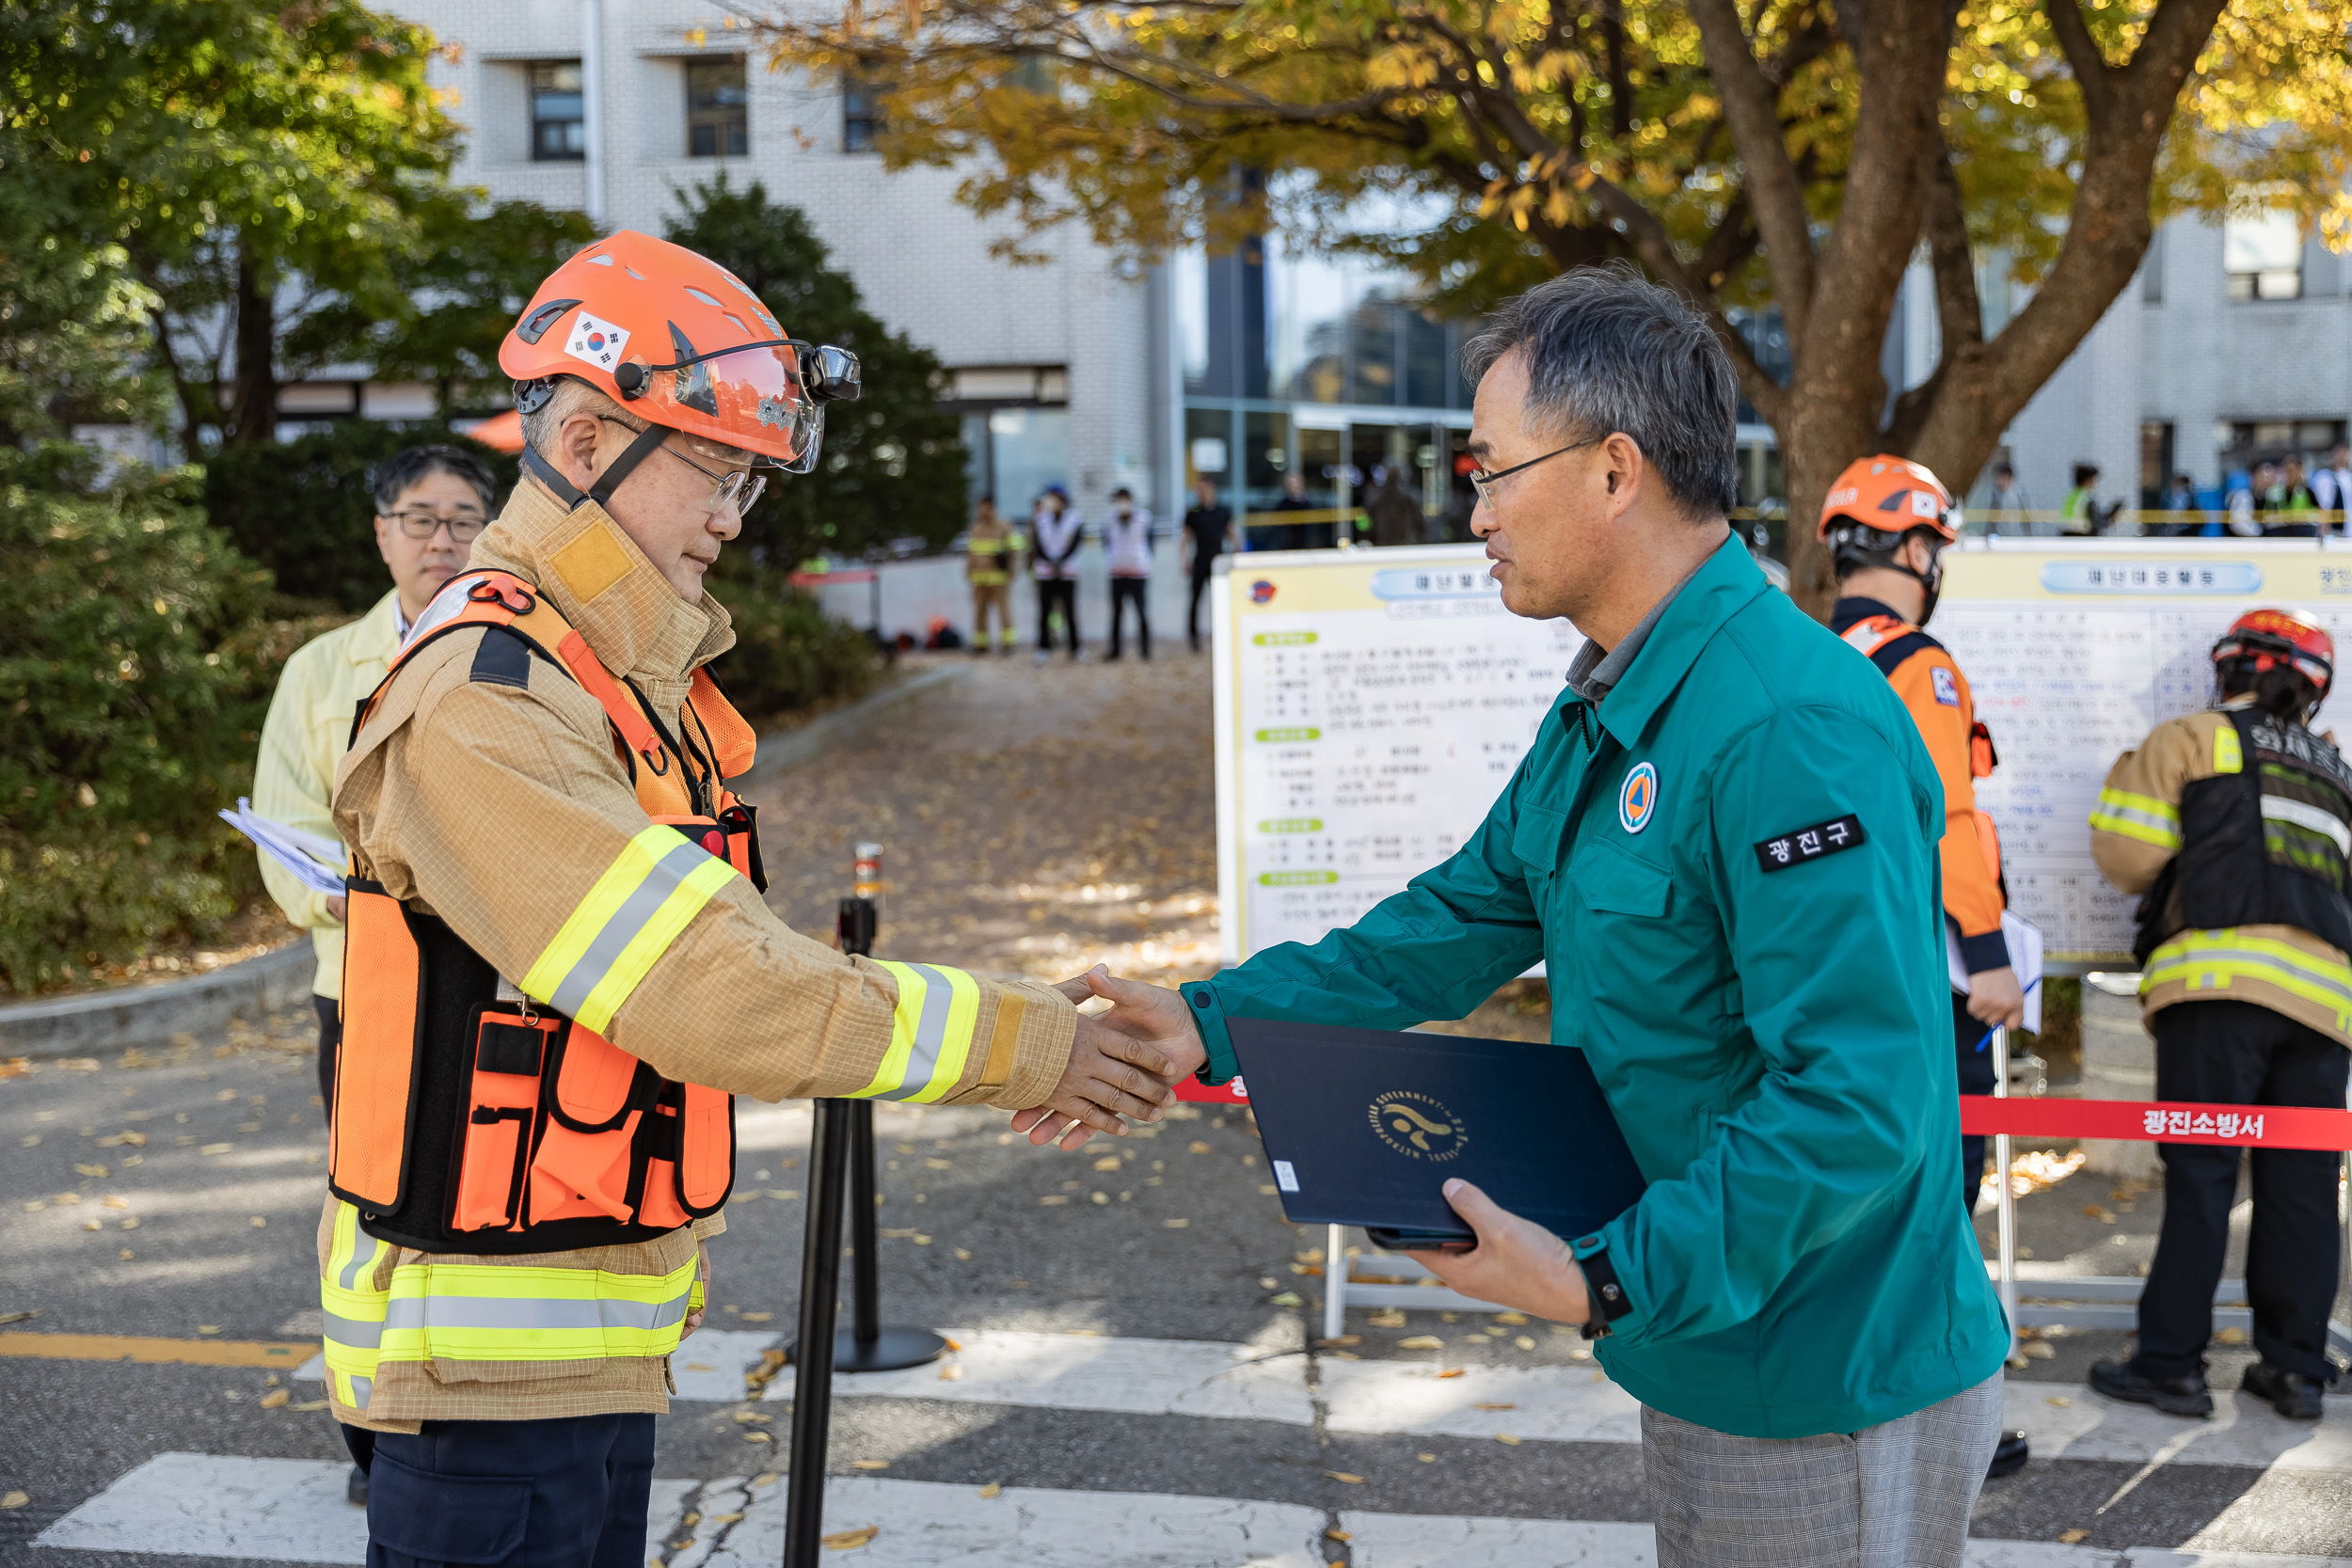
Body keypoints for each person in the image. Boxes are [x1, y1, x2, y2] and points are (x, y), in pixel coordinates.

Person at [1055, 268, 2010, 1567]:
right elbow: (1457, 915)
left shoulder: (1788, 722)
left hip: (1822, 1369)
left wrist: (1609, 1274)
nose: (1477, 508)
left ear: (1616, 471)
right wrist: (1211, 1021)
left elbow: (1859, 1095)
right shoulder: (1616, 702)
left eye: (1495, 468)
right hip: (1706, 1337)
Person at [318, 230, 1185, 1563]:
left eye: (749, 481)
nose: (734, 513)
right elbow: (712, 985)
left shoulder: (586, 674)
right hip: (488, 1381)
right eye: (716, 470)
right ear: (594, 441)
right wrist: (1032, 1042)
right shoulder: (489, 701)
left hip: (579, 1352)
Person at [251, 441, 496, 1509]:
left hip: (500, 980)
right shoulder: (319, 671)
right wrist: (373, 887)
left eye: (462, 519)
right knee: (370, 1207)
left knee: (484, 1197)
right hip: (366, 986)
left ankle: (478, 1411)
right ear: (382, 532)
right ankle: (373, 1436)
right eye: (419, 518)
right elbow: (286, 829)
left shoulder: (518, 651)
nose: (441, 540)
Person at [2085, 608, 2351, 1424]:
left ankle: (2171, 1365)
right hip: (2326, 1007)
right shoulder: (2339, 773)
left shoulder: (2194, 738)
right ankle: (2296, 1369)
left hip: (2215, 990)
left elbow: (2125, 854)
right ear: (2310, 692)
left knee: (2202, 1179)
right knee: (2303, 1188)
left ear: (2229, 670)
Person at [1182, 477, 1236, 654]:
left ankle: (1221, 635)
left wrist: (1238, 554)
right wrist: (1184, 559)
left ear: (1211, 488)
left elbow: (1231, 534)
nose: (1200, 493)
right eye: (1197, 490)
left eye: (1202, 489)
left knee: (1220, 601)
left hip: (1218, 560)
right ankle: (1194, 639)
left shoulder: (1222, 511)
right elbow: (1186, 538)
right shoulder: (1193, 513)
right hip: (1200, 559)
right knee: (1195, 600)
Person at [1031, 483, 1084, 661]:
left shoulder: (1074, 519)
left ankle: (1075, 648)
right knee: (1044, 612)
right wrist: (1051, 562)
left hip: (1067, 573)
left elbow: (1076, 544)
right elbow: (1037, 545)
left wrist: (1060, 561)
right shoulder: (1040, 520)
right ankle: (1043, 648)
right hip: (1046, 573)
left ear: (1063, 500)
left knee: (1070, 611)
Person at [964, 497, 1023, 655]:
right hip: (980, 580)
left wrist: (1012, 570)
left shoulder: (1004, 527)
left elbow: (1014, 550)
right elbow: (971, 553)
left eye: (986, 508)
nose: (983, 511)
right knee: (979, 613)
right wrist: (968, 571)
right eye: (981, 508)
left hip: (999, 579)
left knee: (1004, 611)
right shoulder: (975, 529)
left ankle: (1008, 644)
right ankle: (981, 644)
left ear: (992, 509)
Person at [1101, 486, 1154, 661]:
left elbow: (1151, 542)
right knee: (1116, 613)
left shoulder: (1144, 519)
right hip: (1117, 572)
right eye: (1118, 500)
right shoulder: (1109, 520)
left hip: (1138, 572)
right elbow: (1106, 543)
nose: (1121, 504)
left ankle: (1145, 650)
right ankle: (1116, 651)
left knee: (1141, 611)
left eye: (1123, 500)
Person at [2263, 454, 2321, 537]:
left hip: (2302, 536)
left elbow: (2318, 514)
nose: (2289, 474)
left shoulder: (2307, 491)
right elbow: (2267, 516)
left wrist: (2302, 518)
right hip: (2280, 537)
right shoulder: (2273, 491)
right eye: (2286, 471)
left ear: (2298, 471)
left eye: (2292, 471)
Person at [1365, 463, 1423, 546]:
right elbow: (1365, 523)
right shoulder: (1377, 500)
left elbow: (1420, 524)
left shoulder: (1408, 500)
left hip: (1403, 543)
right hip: (1385, 544)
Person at [1267, 467, 1317, 550]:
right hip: (1287, 549)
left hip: (1306, 548)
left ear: (1301, 483)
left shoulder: (1309, 505)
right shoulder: (1282, 505)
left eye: (1295, 483)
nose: (1293, 486)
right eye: (1290, 484)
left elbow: (1314, 530)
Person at [1984, 461, 2035, 532]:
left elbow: (2026, 520)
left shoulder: (2018, 496)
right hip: (1999, 538)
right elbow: (1990, 521)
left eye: (2000, 477)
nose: (1997, 480)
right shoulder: (1994, 496)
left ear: (2008, 478)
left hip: (2015, 539)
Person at [2313, 441, 2352, 533]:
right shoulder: (2324, 477)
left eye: (2345, 453)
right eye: (2339, 452)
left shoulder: (2349, 478)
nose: (2342, 456)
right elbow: (2322, 505)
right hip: (2332, 531)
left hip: (2348, 530)